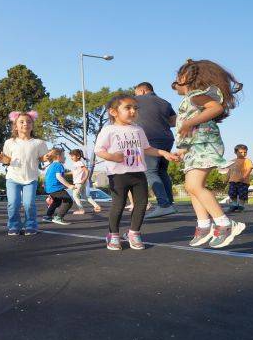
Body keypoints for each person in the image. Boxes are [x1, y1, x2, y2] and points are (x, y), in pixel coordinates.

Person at [172, 59, 246, 249]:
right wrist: (182, 149)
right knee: (191, 187)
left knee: (194, 185)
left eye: (176, 80)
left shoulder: (196, 96)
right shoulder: (187, 102)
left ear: (184, 78)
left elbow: (216, 108)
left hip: (205, 146)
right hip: (194, 148)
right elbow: (187, 131)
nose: (174, 86)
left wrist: (189, 123)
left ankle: (225, 223)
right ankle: (204, 225)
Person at [95, 94, 179, 251]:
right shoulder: (109, 130)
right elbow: (98, 150)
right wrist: (112, 156)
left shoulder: (138, 129)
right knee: (118, 205)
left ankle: (134, 233)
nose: (133, 111)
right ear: (113, 112)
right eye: (128, 108)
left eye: (135, 108)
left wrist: (163, 153)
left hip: (138, 173)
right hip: (118, 175)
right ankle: (113, 235)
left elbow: (147, 149)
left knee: (141, 205)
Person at [0, 110, 49, 235]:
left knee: (29, 204)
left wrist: (47, 157)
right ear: (16, 126)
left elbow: (42, 158)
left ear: (32, 125)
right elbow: (7, 160)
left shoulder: (39, 143)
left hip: (31, 179)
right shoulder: (9, 142)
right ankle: (14, 226)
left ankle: (31, 225)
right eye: (21, 122)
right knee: (13, 204)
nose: (25, 124)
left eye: (29, 122)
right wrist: (0, 158)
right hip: (13, 178)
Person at [134, 82, 178, 218]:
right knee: (162, 171)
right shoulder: (165, 102)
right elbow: (174, 122)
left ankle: (164, 204)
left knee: (150, 171)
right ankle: (169, 203)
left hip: (150, 138)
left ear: (141, 91)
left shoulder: (136, 100)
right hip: (167, 139)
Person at [41, 148, 74, 225]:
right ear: (58, 156)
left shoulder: (52, 165)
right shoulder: (59, 165)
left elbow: (47, 177)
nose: (65, 158)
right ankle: (58, 217)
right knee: (68, 201)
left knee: (57, 201)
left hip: (50, 188)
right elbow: (59, 176)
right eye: (63, 156)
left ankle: (48, 216)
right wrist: (69, 185)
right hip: (56, 188)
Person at [68, 149, 101, 215]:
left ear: (78, 156)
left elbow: (87, 171)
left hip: (79, 182)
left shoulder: (79, 163)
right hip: (80, 182)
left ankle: (81, 210)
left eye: (72, 156)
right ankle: (96, 206)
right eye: (70, 156)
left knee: (75, 196)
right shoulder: (76, 164)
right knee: (85, 196)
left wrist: (84, 179)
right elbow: (74, 172)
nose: (71, 157)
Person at [226, 144, 253, 213]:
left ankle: (241, 206)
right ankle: (234, 205)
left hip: (243, 182)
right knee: (232, 193)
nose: (243, 154)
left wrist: (244, 177)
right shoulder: (232, 161)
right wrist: (226, 179)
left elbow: (249, 169)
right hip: (232, 181)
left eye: (245, 152)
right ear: (235, 152)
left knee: (242, 194)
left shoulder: (247, 161)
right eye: (241, 152)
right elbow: (229, 171)